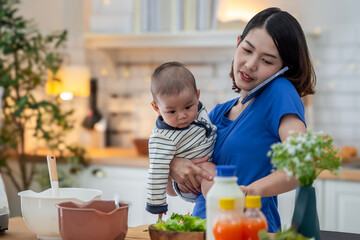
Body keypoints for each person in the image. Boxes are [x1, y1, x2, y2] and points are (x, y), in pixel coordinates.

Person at [167, 7, 316, 232]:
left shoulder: (280, 92)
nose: (250, 64)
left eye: (267, 61)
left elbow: (303, 165)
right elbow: (172, 189)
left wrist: (247, 193)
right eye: (247, 50)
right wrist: (173, 166)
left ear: (283, 69)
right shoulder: (216, 114)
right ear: (238, 43)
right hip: (201, 230)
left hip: (249, 230)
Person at [145, 61, 217, 218]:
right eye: (171, 111)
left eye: (188, 107)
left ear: (197, 97)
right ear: (157, 108)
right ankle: (219, 215)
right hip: (188, 178)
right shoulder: (162, 138)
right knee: (211, 173)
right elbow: (156, 172)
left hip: (203, 165)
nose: (182, 115)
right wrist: (157, 204)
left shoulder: (199, 111)